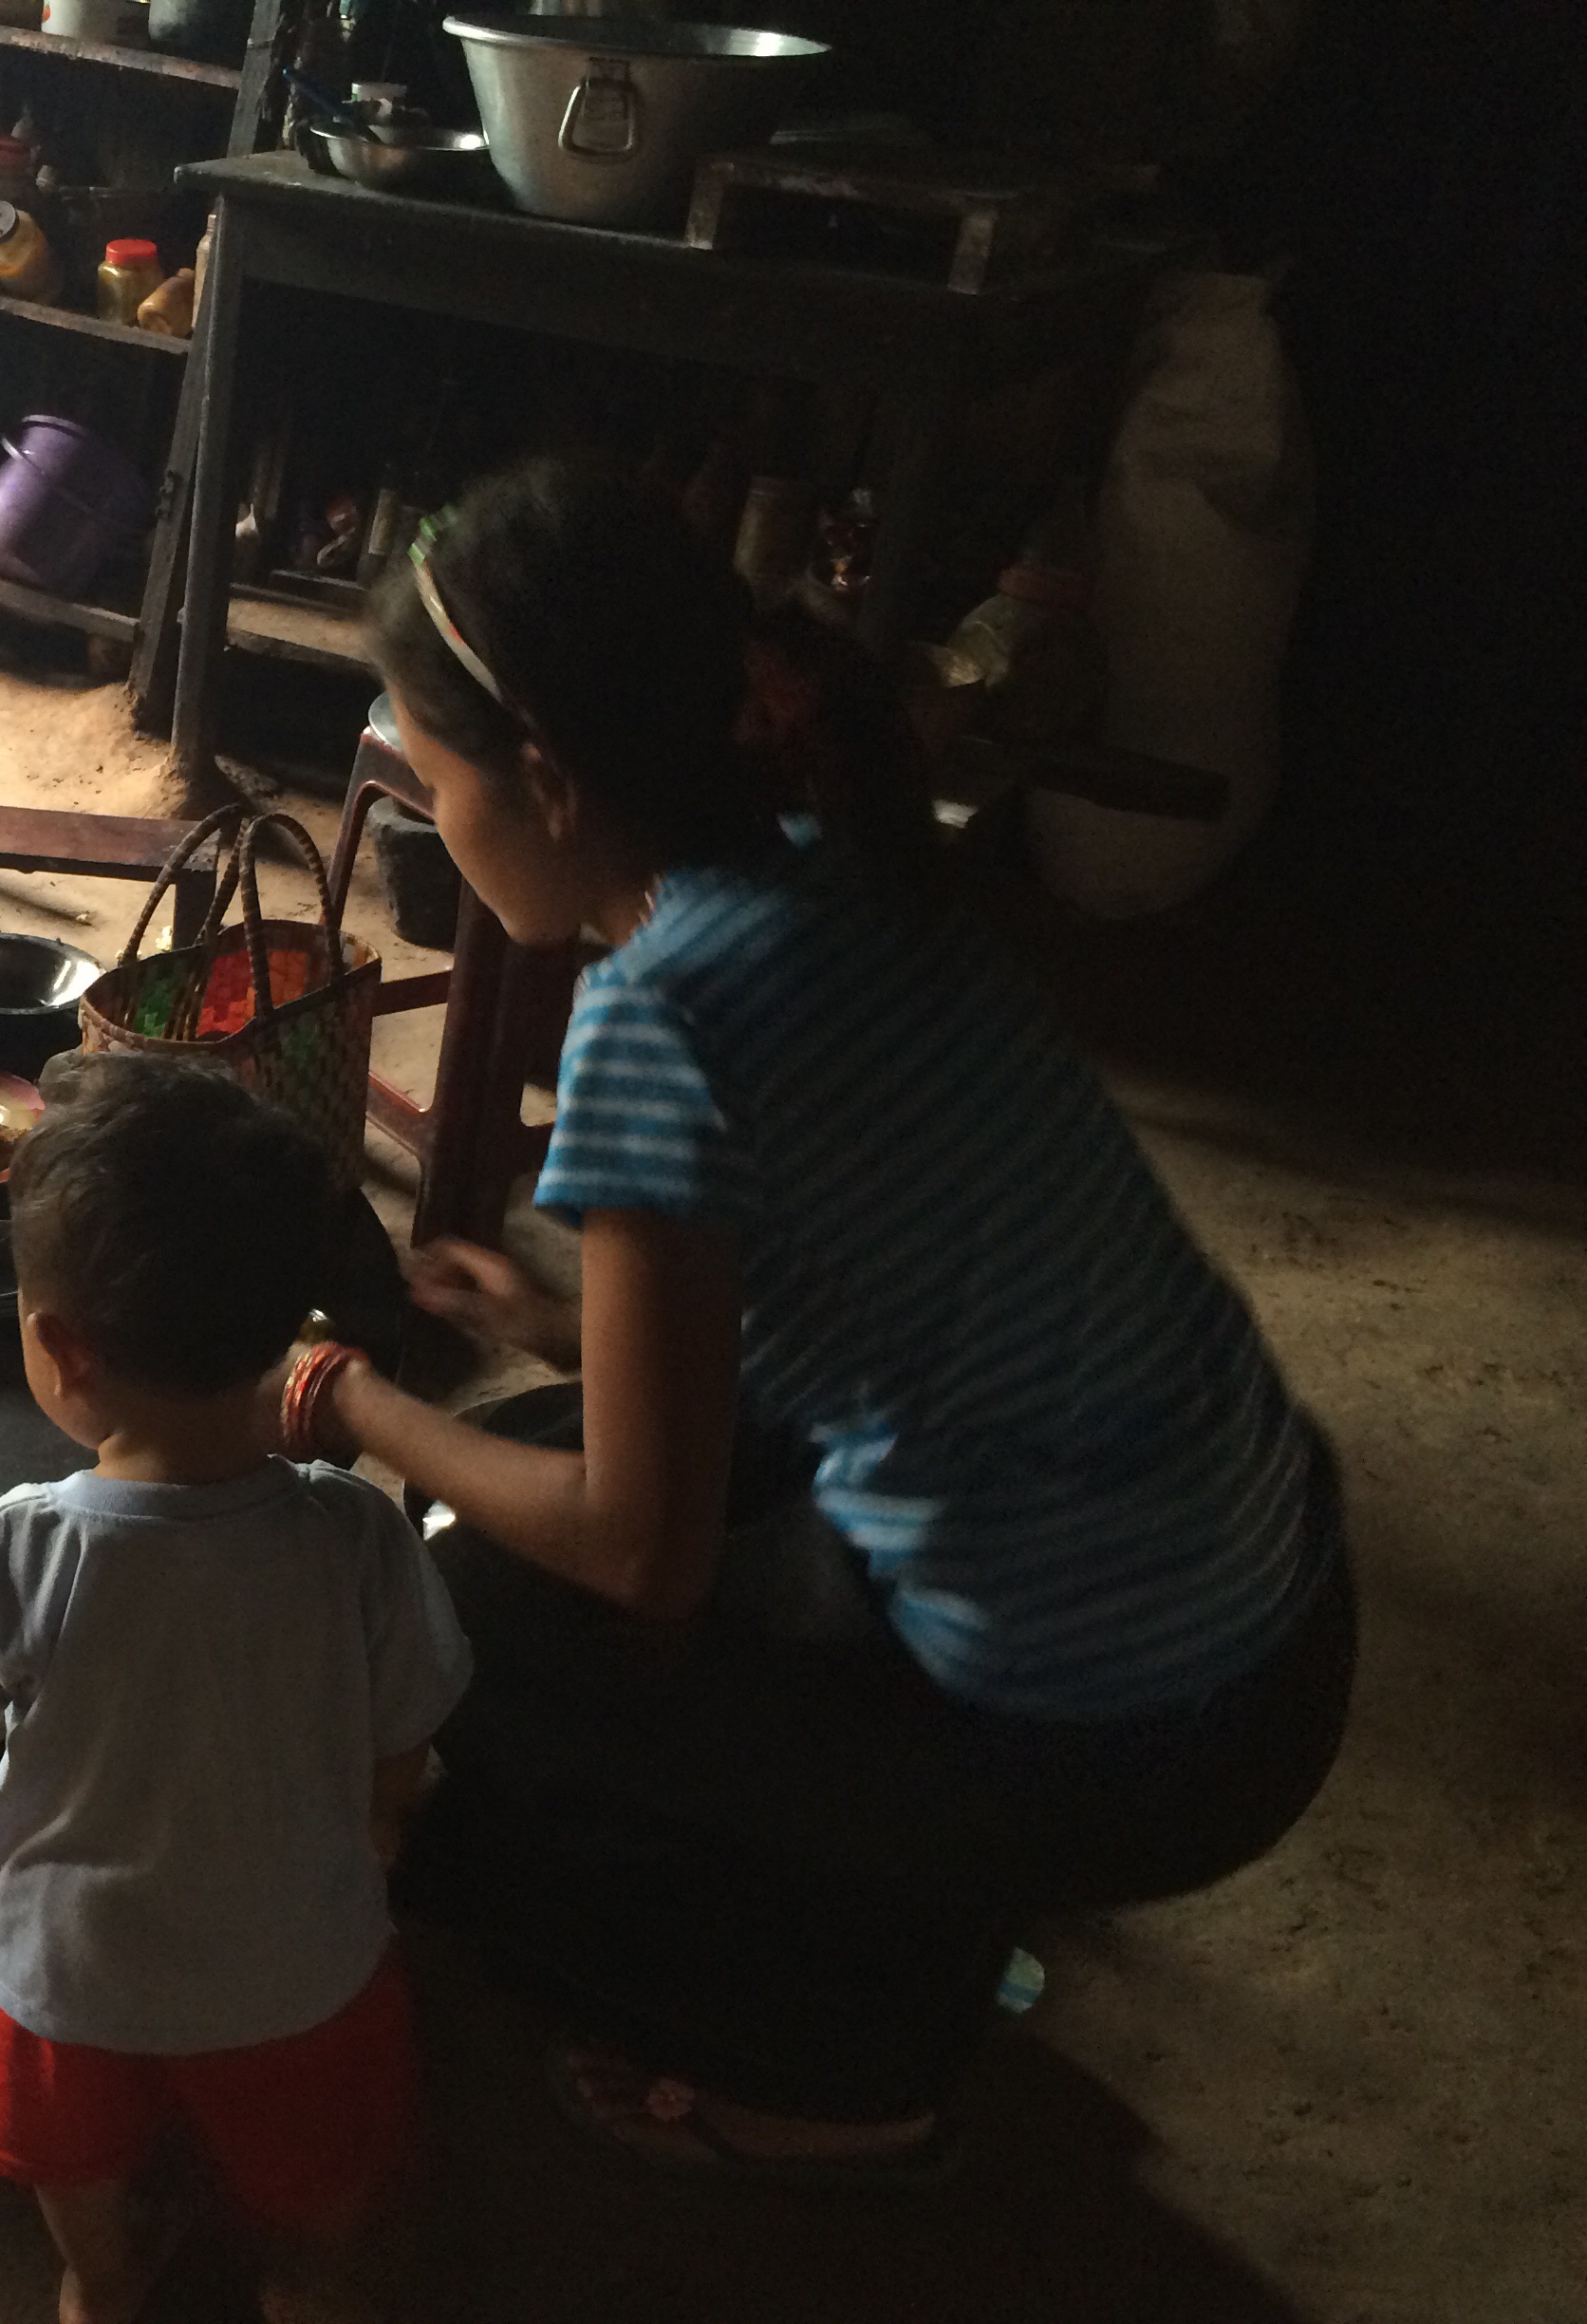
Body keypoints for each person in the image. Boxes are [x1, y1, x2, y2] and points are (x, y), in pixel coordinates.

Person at [295, 459, 1354, 2183]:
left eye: (433, 771)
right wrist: (569, 1328)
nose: (432, 810)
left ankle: (838, 2056)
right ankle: (906, 1872)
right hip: (1265, 1619)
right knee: (547, 1443)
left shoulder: (659, 1015)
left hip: (1126, 1740)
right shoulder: (828, 856)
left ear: (544, 778)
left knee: (474, 1611)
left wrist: (344, 1398)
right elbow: (875, 1284)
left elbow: (640, 1553)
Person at [0, 1056, 471, 2322]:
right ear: (289, 1331)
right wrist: (379, 1819)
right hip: (300, 1966)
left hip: (68, 1973)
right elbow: (407, 1721)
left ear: (58, 1349)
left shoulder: (13, 1548)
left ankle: (101, 2276)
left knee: (75, 2157)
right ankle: (306, 2282)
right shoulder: (358, 1534)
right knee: (319, 2163)